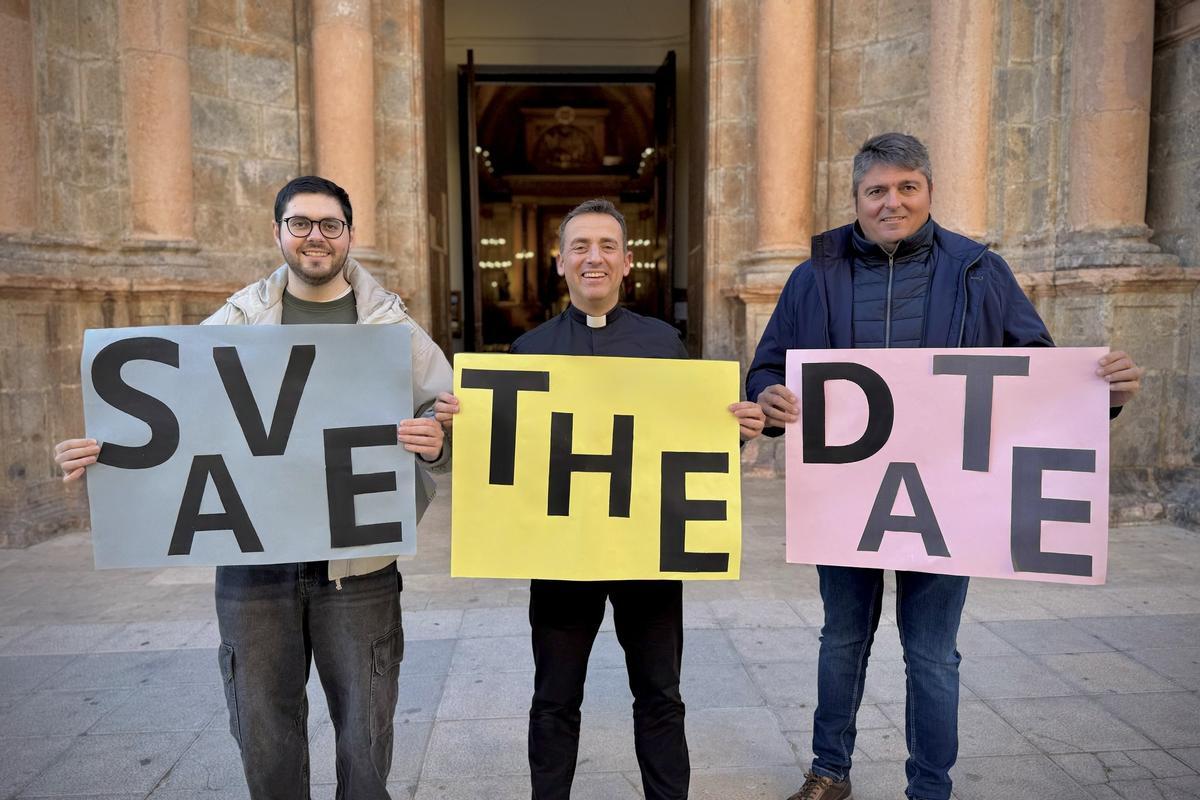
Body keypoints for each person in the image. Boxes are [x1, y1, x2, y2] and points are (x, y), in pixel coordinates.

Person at [745, 133, 1144, 800]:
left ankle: (930, 788)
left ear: (929, 191)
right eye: (876, 190)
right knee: (842, 636)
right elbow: (769, 364)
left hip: (947, 499)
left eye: (907, 187)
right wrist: (770, 395)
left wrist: (1103, 397)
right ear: (856, 199)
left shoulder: (978, 269)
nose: (892, 202)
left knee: (932, 652)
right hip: (846, 496)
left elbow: (1037, 374)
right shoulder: (814, 272)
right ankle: (829, 770)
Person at [53, 176, 451, 800]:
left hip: (358, 568)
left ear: (349, 235)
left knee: (366, 742)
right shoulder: (236, 320)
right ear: (278, 232)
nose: (315, 237)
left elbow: (446, 414)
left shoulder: (390, 326)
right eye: (301, 224)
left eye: (330, 225)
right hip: (254, 566)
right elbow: (179, 416)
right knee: (264, 737)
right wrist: (108, 452)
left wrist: (438, 440)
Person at [434, 198, 765, 800]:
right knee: (555, 698)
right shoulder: (529, 351)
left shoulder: (664, 344)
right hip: (562, 556)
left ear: (627, 261)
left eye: (607, 246)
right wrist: (465, 424)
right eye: (580, 247)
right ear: (560, 263)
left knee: (660, 695)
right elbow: (511, 456)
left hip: (647, 556)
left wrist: (731, 432)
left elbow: (684, 445)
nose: (594, 258)